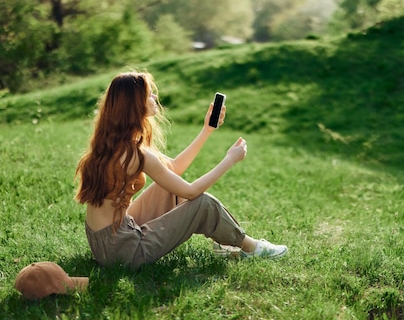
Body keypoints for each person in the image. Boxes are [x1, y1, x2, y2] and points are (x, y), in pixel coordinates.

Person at [75, 71, 287, 270]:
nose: (155, 97)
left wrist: (207, 130)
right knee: (203, 203)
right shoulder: (135, 153)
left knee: (167, 187)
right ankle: (251, 247)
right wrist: (229, 160)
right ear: (135, 105)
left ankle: (230, 244)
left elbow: (173, 168)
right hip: (125, 252)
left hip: (103, 242)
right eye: (150, 95)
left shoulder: (114, 143)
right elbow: (191, 193)